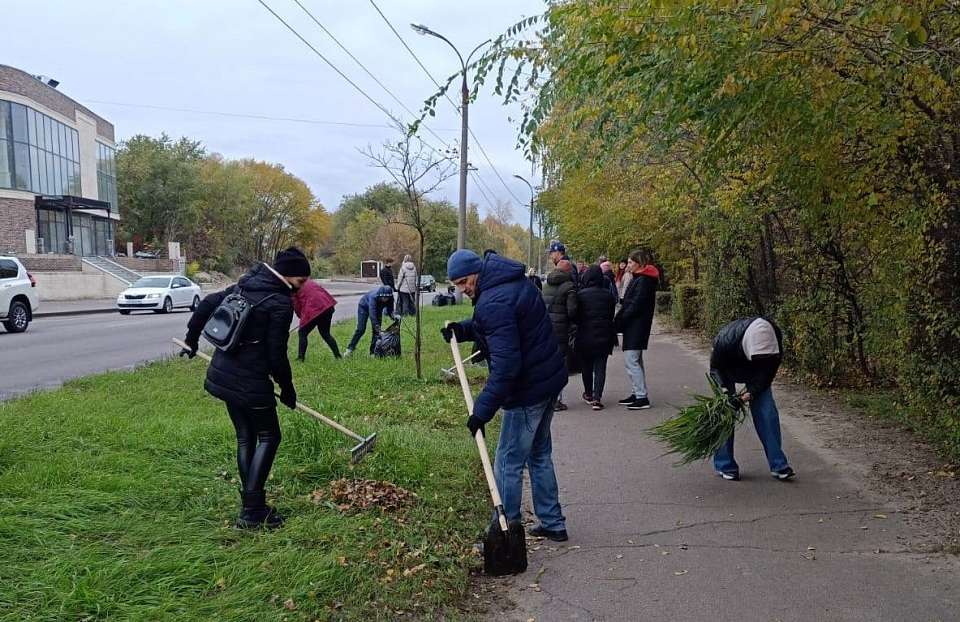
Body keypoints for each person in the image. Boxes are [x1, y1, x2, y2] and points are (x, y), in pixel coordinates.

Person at [441, 249, 568, 542]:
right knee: (539, 455)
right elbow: (500, 327)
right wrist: (462, 330)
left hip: (528, 390)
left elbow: (507, 366)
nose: (463, 289)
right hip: (548, 381)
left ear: (476, 272)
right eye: (457, 284)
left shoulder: (494, 300)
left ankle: (505, 530)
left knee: (508, 461)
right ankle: (552, 522)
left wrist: (481, 411)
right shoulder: (510, 283)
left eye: (464, 282)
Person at [180, 247, 310, 529]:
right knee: (269, 436)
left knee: (245, 436)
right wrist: (287, 388)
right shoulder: (278, 302)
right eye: (301, 281)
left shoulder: (245, 283)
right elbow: (276, 354)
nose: (301, 288)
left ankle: (251, 503)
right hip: (250, 382)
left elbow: (205, 305)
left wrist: (191, 340)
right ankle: (252, 511)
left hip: (223, 375)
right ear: (288, 275)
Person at [710, 317, 795, 481]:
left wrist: (749, 394)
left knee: (767, 412)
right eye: (759, 359)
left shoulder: (774, 339)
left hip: (757, 374)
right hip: (728, 368)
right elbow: (716, 369)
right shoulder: (725, 339)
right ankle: (725, 465)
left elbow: (767, 374)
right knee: (723, 412)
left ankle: (779, 465)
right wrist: (726, 392)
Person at [614, 250, 659, 410]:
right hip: (635, 325)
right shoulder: (641, 279)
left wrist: (621, 318)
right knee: (635, 360)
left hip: (636, 325)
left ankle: (641, 396)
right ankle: (637, 392)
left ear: (639, 264)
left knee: (631, 360)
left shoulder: (643, 281)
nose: (628, 265)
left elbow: (635, 304)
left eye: (631, 262)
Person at [575, 265, 617, 410]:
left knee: (586, 366)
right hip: (604, 335)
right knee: (600, 367)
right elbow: (611, 315)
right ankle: (597, 397)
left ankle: (588, 393)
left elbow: (576, 316)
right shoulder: (608, 296)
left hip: (585, 335)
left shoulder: (580, 295)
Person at [541, 259, 578, 411]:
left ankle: (545, 398)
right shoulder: (569, 287)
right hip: (562, 330)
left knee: (547, 365)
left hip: (545, 330)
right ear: (569, 271)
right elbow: (572, 311)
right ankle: (556, 401)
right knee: (560, 367)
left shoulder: (546, 285)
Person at [292, 278, 340, 360]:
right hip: (327, 306)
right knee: (325, 333)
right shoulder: (308, 280)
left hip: (315, 309)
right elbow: (322, 291)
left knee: (302, 332)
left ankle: (300, 358)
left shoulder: (293, 286)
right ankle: (338, 356)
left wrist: (302, 317)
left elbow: (296, 305)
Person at [344, 285, 396, 356]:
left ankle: (373, 352)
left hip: (378, 310)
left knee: (376, 333)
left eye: (387, 298)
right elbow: (372, 314)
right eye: (383, 297)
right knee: (361, 329)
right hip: (364, 307)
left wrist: (394, 317)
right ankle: (350, 349)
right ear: (380, 295)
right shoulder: (373, 297)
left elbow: (390, 310)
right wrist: (376, 326)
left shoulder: (390, 298)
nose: (385, 299)